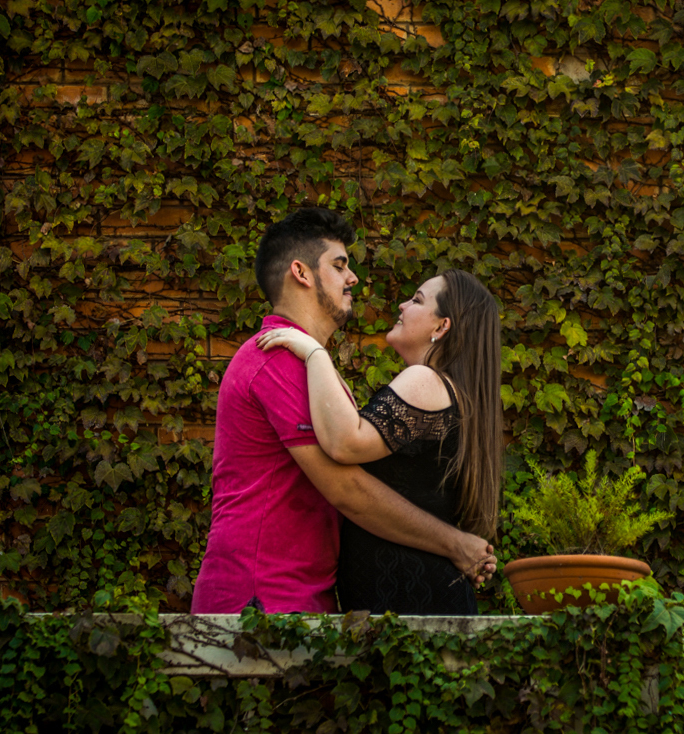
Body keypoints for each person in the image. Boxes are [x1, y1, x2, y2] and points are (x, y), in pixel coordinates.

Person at [191, 208, 495, 614]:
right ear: (301, 274)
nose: (353, 278)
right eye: (339, 266)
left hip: (297, 597)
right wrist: (454, 542)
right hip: (260, 598)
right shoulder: (277, 359)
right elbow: (346, 488)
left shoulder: (307, 364)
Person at [257, 268, 503, 614]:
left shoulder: (424, 380)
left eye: (417, 300)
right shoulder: (454, 393)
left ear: (441, 327)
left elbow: (346, 443)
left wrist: (315, 354)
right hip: (413, 593)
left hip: (409, 595)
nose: (402, 305)